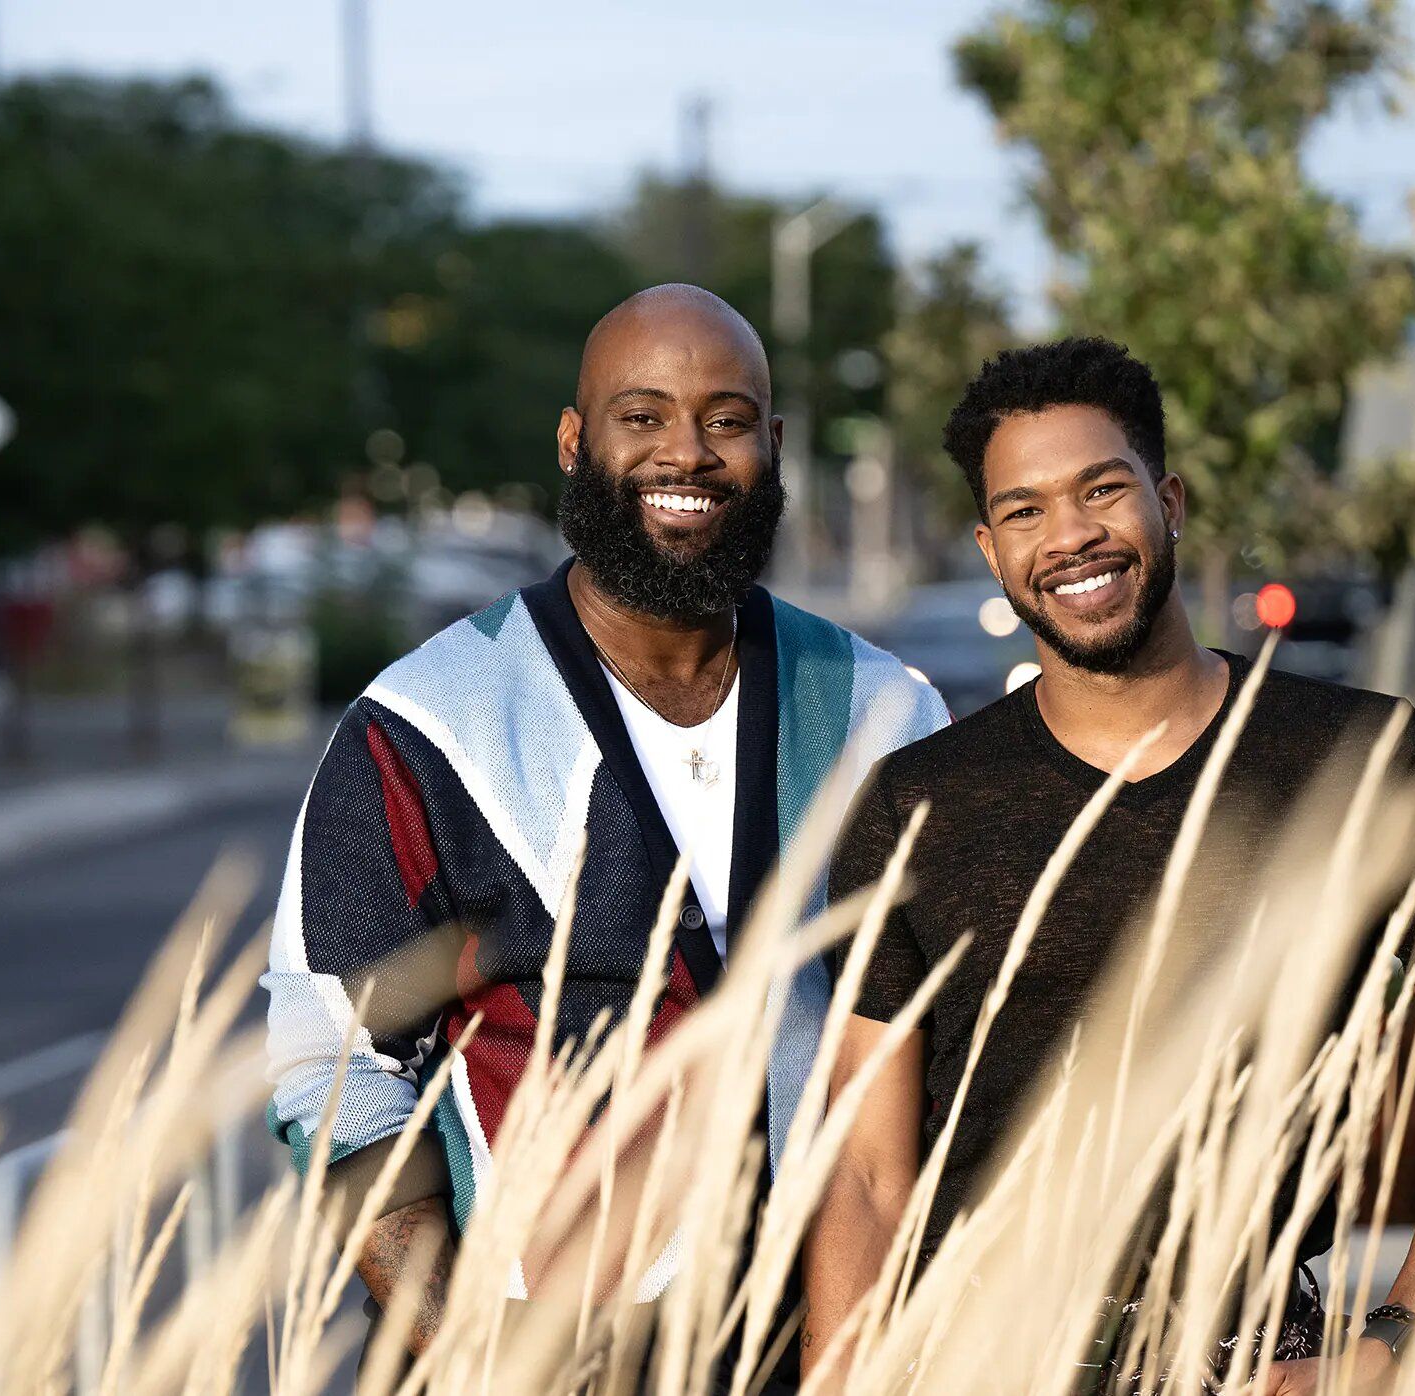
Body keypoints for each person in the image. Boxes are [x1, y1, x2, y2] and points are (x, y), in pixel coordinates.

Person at [805, 337, 1415, 1394]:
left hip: (1250, 1360)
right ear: (992, 548)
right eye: (1025, 510)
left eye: (1103, 488)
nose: (1071, 536)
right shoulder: (921, 805)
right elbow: (866, 1173)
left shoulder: (1359, 762)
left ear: (1171, 499)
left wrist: (1390, 1346)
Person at [262, 284, 949, 1369]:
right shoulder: (432, 719)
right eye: (643, 417)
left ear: (771, 446)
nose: (688, 453)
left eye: (725, 420)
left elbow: (927, 1049)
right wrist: (458, 1341)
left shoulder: (883, 709)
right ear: (577, 442)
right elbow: (327, 1063)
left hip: (819, 1340)